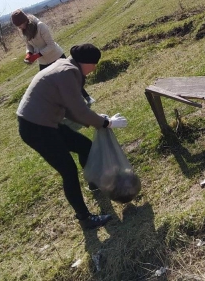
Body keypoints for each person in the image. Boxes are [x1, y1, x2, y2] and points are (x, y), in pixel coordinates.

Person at [16, 43, 126, 232]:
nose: (95, 68)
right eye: (94, 64)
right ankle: (85, 219)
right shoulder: (68, 73)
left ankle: (94, 182)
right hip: (36, 128)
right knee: (68, 171)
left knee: (85, 146)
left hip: (45, 123)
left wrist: (101, 120)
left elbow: (70, 110)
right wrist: (106, 123)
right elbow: (79, 110)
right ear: (87, 63)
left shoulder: (65, 67)